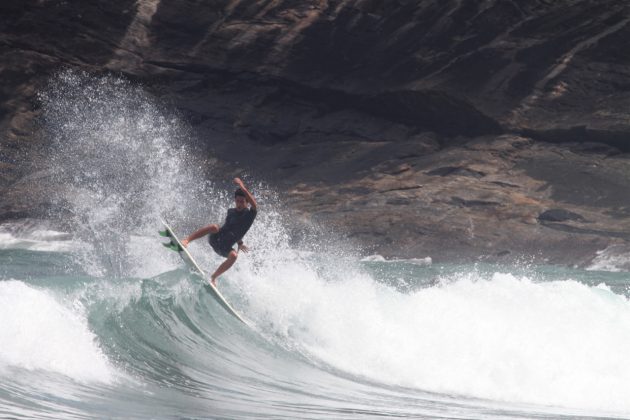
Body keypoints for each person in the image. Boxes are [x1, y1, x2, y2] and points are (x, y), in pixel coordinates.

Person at [182, 178, 257, 286]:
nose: (239, 204)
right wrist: (240, 242)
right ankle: (186, 240)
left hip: (224, 249)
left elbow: (254, 205)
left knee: (234, 256)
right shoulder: (231, 212)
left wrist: (242, 186)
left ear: (247, 202)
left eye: (242, 202)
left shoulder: (250, 215)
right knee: (214, 227)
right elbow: (231, 228)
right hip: (215, 240)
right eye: (237, 201)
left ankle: (213, 277)